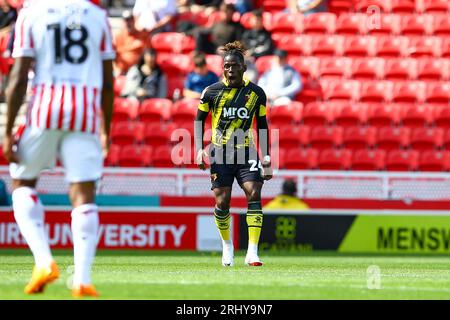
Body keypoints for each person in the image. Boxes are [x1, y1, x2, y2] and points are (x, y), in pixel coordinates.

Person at [3, 0, 115, 297]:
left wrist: (8, 130)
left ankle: (43, 261)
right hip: (85, 112)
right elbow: (107, 82)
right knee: (83, 193)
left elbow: (18, 76)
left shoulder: (31, 13)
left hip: (44, 110)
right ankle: (82, 279)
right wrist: (106, 129)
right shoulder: (98, 16)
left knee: (22, 181)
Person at [194, 41, 272, 267]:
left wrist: (266, 158)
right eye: (226, 66)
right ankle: (227, 246)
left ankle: (252, 252)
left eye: (234, 66)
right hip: (220, 152)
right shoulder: (211, 92)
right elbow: (199, 121)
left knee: (254, 192)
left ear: (243, 67)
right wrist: (199, 149)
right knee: (223, 200)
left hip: (246, 150)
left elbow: (263, 125)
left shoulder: (256, 93)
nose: (230, 70)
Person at [113, 10, 150, 75]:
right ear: (123, 22)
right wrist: (116, 69)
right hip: (122, 71)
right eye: (126, 20)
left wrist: (147, 66)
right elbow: (114, 54)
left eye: (130, 20)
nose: (128, 23)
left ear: (134, 21)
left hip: (139, 71)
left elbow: (148, 52)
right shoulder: (119, 35)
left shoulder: (142, 35)